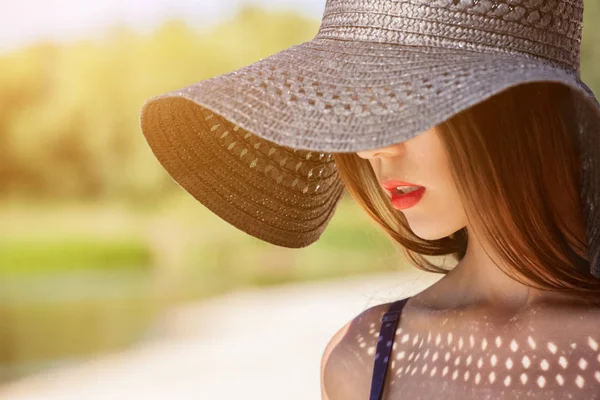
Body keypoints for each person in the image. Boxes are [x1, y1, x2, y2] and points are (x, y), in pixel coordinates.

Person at [139, 0, 600, 398]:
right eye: (363, 104)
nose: (372, 147)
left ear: (515, 103)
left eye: (411, 98)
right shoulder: (360, 360)